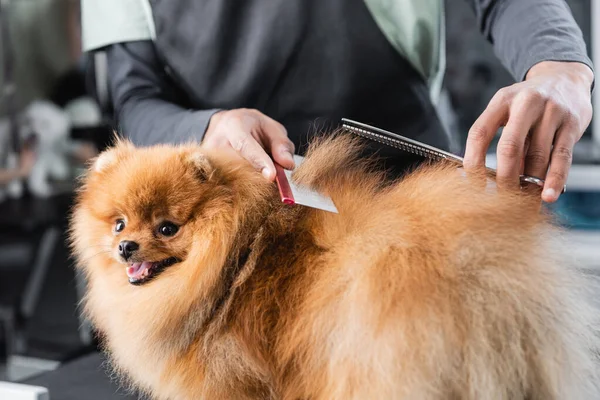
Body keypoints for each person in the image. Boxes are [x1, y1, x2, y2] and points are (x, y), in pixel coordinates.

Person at [81, 0, 594, 203]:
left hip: (408, 199)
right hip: (235, 227)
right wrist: (207, 127)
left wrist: (558, 65)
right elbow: (134, 99)